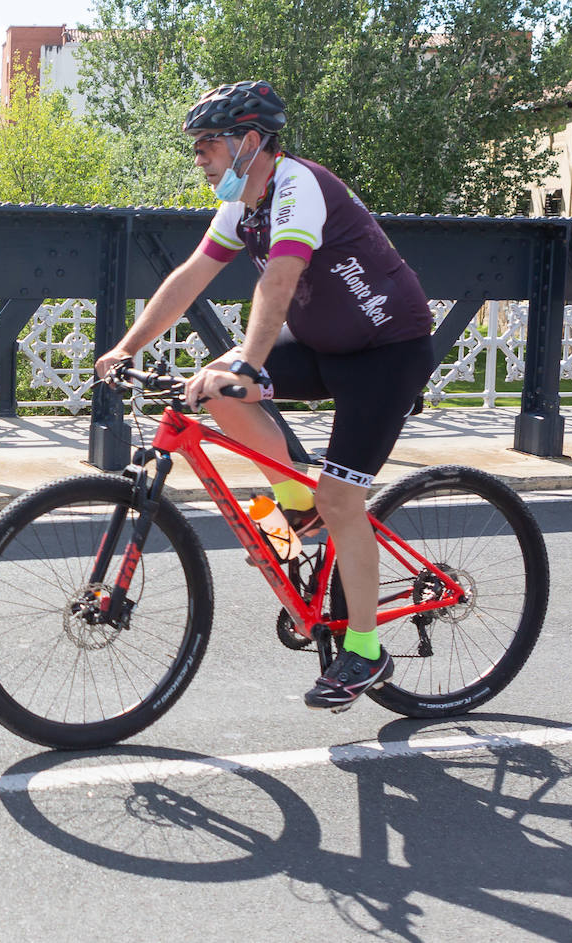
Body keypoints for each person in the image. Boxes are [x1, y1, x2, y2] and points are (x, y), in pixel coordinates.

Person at [94, 81, 435, 711]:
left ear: (250, 143)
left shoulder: (298, 186)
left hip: (387, 355)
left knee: (342, 496)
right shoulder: (242, 205)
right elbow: (189, 278)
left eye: (208, 144)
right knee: (213, 390)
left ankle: (364, 651)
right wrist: (126, 347)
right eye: (195, 145)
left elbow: (280, 276)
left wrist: (251, 362)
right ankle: (295, 506)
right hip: (326, 346)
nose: (199, 156)